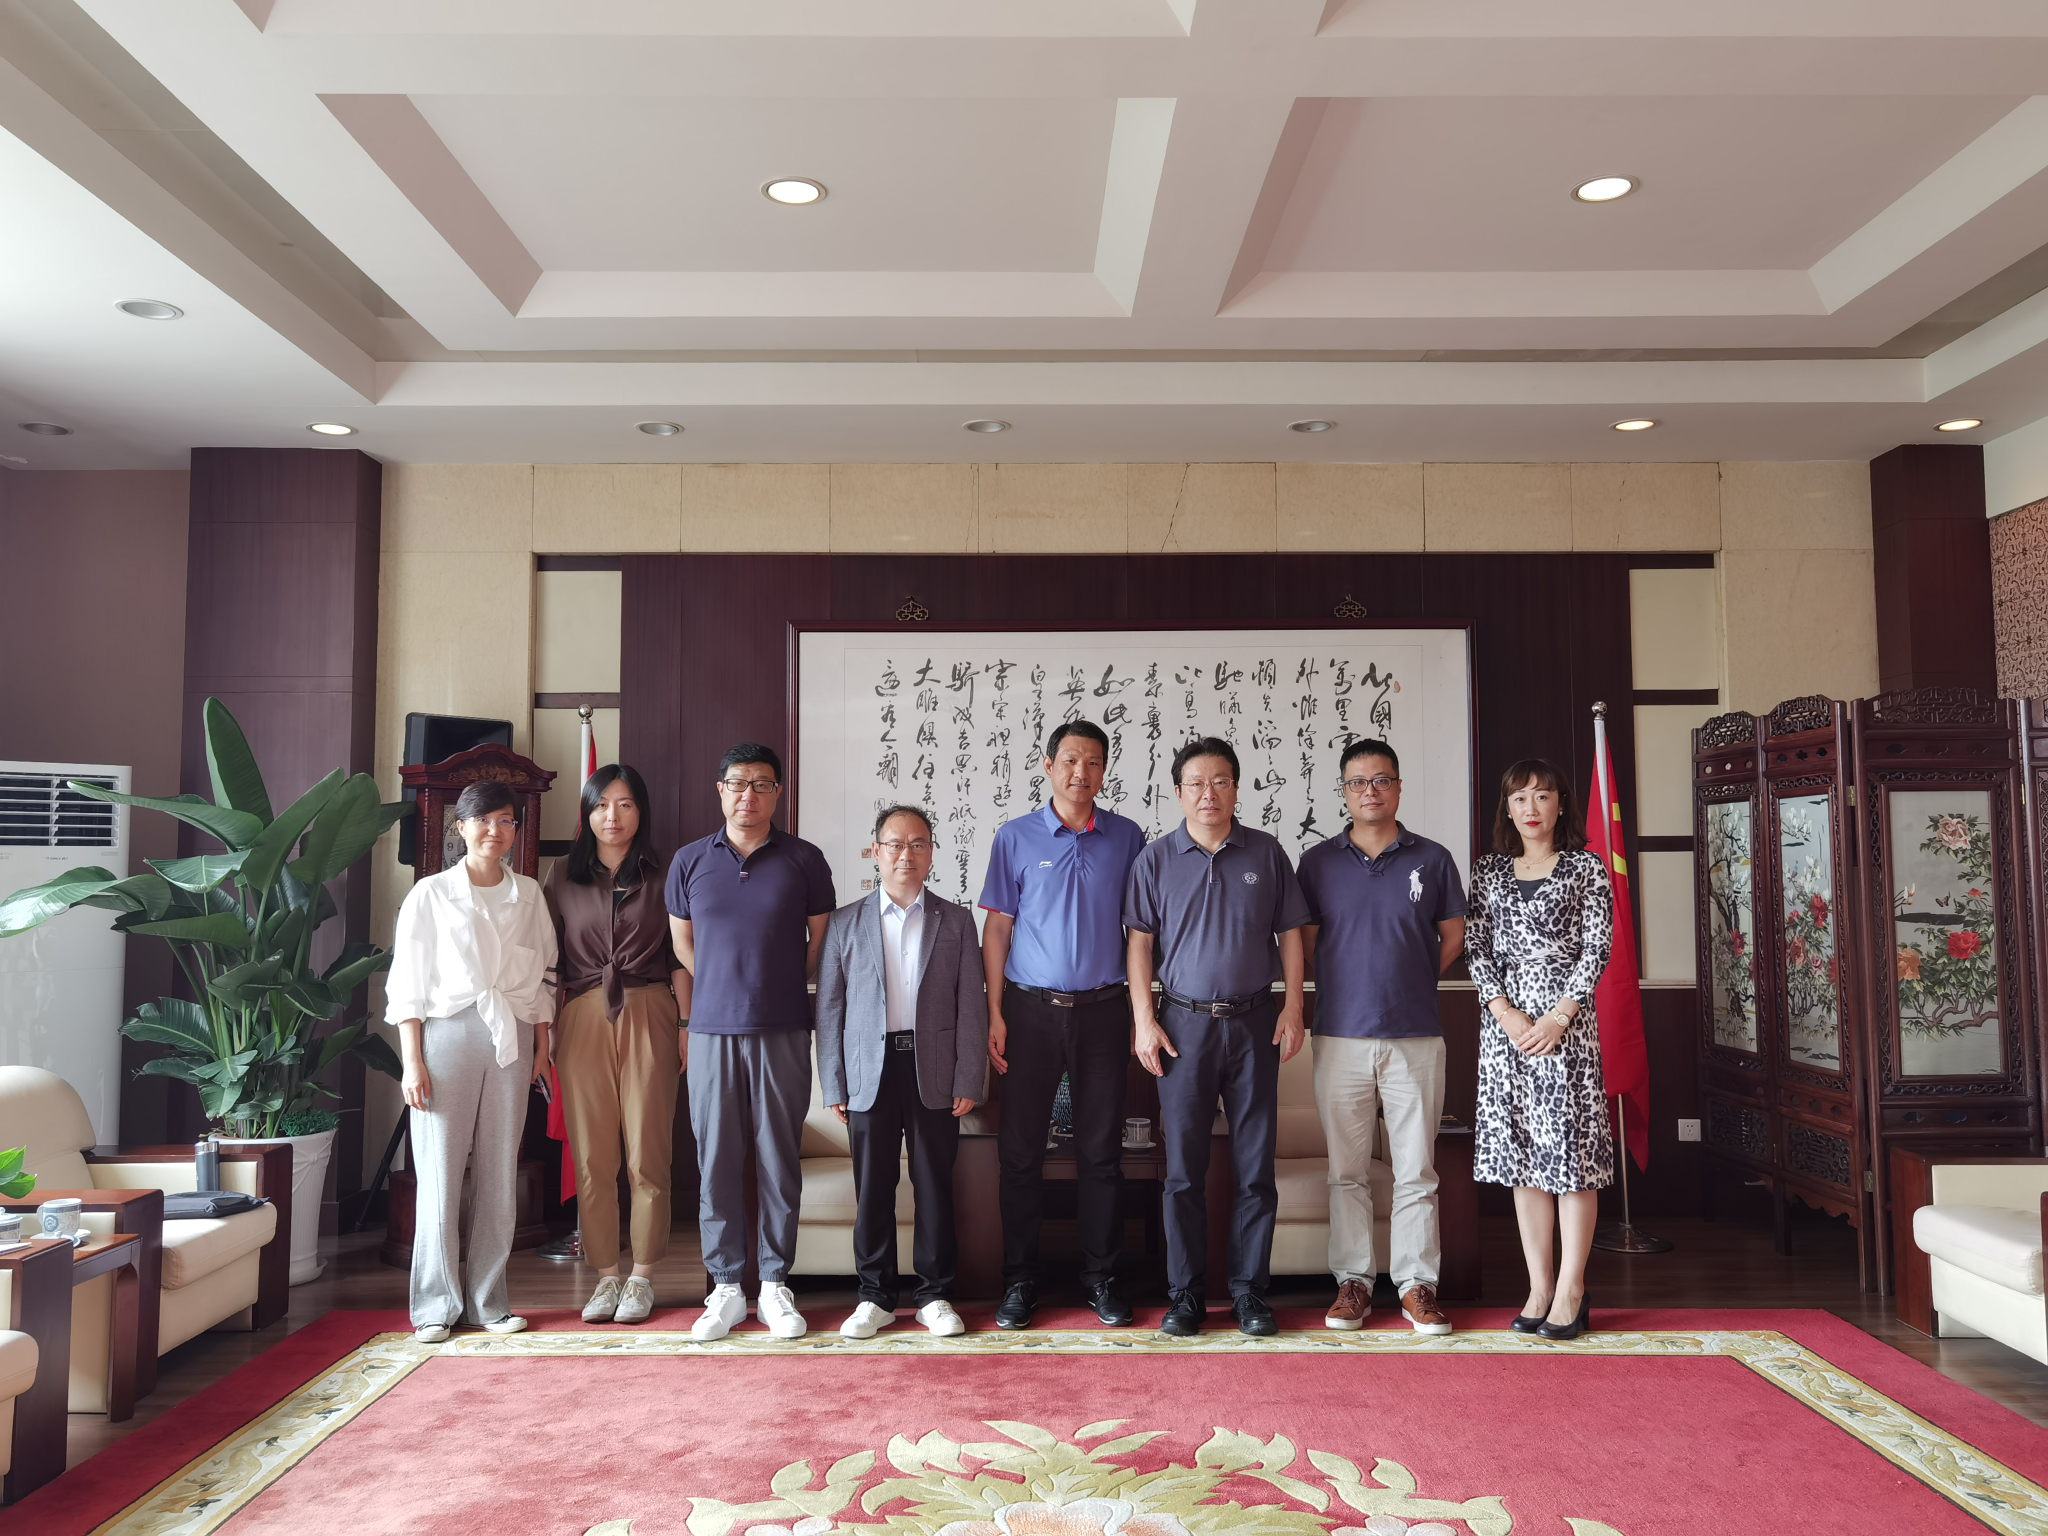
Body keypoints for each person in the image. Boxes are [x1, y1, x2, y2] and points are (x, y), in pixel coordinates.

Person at [1125, 737, 1308, 1337]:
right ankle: (1185, 1296)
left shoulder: (1267, 852)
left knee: (1255, 1167)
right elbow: (1140, 945)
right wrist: (1144, 1020)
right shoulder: (1155, 859)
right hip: (1183, 1026)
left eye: (1221, 781)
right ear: (1178, 792)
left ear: (1236, 787)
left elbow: (1290, 933)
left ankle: (1250, 1293)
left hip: (1255, 1022)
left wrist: (1293, 1007)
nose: (1209, 793)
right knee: (1184, 1171)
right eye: (1197, 783)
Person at [978, 719, 1146, 1329]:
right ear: (1048, 766)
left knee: (1101, 1153)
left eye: (1093, 762)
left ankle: (1102, 1279)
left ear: (1105, 771)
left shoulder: (1128, 836)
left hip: (1104, 1010)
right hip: (1029, 1012)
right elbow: (998, 927)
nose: (1082, 772)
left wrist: (1141, 1012)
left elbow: (1139, 931)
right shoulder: (1014, 836)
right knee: (1020, 1152)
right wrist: (994, 1012)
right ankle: (1021, 1280)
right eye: (1070, 760)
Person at [1297, 738, 1467, 1336]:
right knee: (1346, 1171)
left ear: (1398, 787)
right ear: (1344, 792)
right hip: (1339, 1035)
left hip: (1415, 1035)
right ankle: (1354, 1283)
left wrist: (1409, 977)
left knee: (1416, 1169)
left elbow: (1452, 935)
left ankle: (1418, 1285)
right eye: (1357, 782)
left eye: (1381, 780)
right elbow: (1308, 944)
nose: (1370, 791)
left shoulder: (1433, 859)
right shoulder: (1316, 862)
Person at [666, 743, 836, 1341]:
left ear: (777, 793)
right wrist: (720, 983)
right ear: (720, 790)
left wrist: (777, 980)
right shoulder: (689, 860)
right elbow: (683, 944)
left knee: (778, 1157)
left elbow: (819, 943)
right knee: (714, 1157)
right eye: (738, 783)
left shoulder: (805, 859)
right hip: (711, 1030)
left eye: (762, 784)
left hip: (783, 1026)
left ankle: (774, 1283)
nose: (749, 795)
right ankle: (726, 1287)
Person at [386, 781, 557, 1343]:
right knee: (439, 1172)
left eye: (506, 820)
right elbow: (407, 984)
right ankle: (435, 1305)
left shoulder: (529, 894)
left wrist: (543, 1047)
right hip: (448, 1035)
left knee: (498, 1172)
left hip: (513, 1037)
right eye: (482, 820)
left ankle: (489, 1302)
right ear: (460, 827)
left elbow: (544, 974)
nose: (494, 831)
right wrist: (413, 1062)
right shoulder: (431, 894)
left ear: (515, 829)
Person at [816, 805, 988, 1339]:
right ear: (876, 852)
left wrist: (969, 1077)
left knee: (934, 1184)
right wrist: (834, 1082)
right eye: (894, 844)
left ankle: (935, 1295)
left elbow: (971, 1006)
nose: (905, 854)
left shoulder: (955, 921)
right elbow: (830, 1008)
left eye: (917, 844)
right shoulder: (846, 922)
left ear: (931, 854)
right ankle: (875, 1297)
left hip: (933, 1068)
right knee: (874, 1187)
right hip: (870, 1070)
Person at [1465, 757, 1615, 1341]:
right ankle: (1540, 1287)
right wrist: (1504, 1013)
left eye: (1543, 796)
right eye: (1519, 797)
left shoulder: (1585, 867)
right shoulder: (1489, 871)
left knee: (1571, 1159)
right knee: (1522, 1157)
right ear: (1507, 809)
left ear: (1561, 804)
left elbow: (1597, 947)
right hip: (1506, 1032)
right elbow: (1477, 947)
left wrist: (1559, 1016)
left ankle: (1573, 1289)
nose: (1531, 808)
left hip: (1566, 1029)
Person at [543, 764, 689, 1327]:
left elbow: (679, 958)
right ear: (587, 812)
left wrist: (685, 1026)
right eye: (602, 805)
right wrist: (545, 1032)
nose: (613, 816)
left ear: (640, 812)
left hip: (650, 1008)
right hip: (580, 1014)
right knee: (591, 1156)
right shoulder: (561, 875)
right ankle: (606, 1274)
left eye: (625, 804)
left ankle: (643, 1276)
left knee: (647, 1151)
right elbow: (548, 961)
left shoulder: (665, 872)